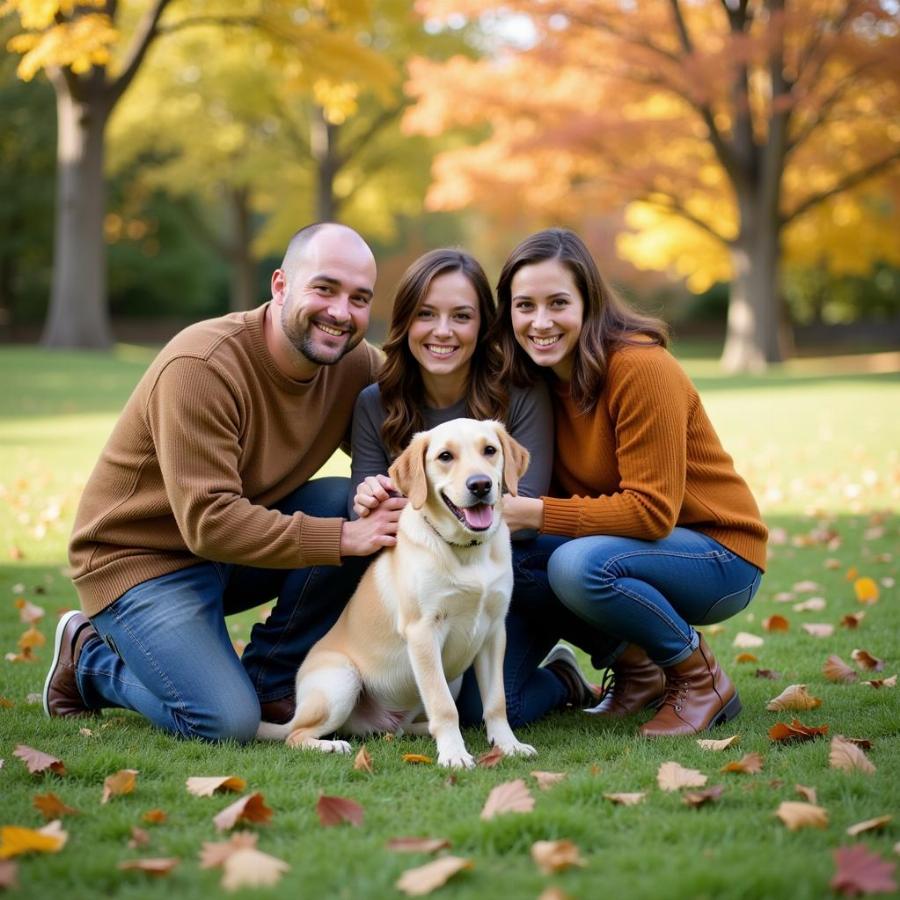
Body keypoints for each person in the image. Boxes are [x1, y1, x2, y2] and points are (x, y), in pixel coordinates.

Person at [43, 223, 405, 742]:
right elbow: (209, 522)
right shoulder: (203, 365)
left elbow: (420, 430)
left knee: (350, 504)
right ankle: (89, 662)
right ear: (281, 286)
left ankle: (269, 678)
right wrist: (345, 539)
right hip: (141, 562)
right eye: (324, 289)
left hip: (232, 554)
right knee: (223, 721)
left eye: (360, 298)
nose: (341, 313)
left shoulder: (354, 364)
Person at [495, 228, 768, 737]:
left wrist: (536, 514)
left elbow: (651, 512)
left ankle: (700, 678)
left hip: (719, 554)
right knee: (516, 556)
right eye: (524, 305)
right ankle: (638, 669)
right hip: (633, 551)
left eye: (558, 303)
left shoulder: (640, 368)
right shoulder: (533, 381)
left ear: (589, 302)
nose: (540, 322)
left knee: (576, 564)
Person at [348, 248, 601, 726]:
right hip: (425, 571)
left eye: (461, 316)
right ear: (406, 322)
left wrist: (419, 507)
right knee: (465, 706)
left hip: (513, 567)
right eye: (426, 314)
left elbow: (520, 509)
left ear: (482, 326)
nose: (443, 331)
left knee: (498, 703)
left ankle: (587, 664)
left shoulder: (520, 393)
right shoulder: (374, 403)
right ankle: (562, 678)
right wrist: (367, 499)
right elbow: (365, 514)